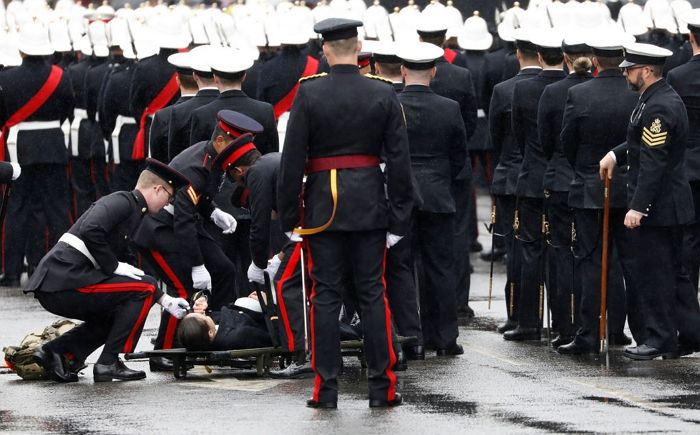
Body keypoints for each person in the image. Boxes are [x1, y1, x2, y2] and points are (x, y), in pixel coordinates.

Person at [277, 18, 413, 409]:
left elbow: (292, 161)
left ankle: (326, 390)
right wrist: (399, 217)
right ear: (358, 47)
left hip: (322, 208)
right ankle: (382, 389)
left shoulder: (309, 93)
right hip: (370, 206)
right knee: (373, 294)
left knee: (325, 297)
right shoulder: (383, 93)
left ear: (325, 50)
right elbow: (400, 162)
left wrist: (288, 218)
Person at [25, 159, 191, 382]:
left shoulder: (133, 209)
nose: (168, 203)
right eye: (169, 197)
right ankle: (108, 362)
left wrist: (165, 299)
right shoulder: (122, 201)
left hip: (67, 279)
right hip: (64, 278)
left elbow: (127, 264)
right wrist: (113, 267)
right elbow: (91, 228)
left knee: (123, 307)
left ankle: (57, 351)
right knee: (144, 289)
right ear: (157, 189)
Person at [599, 42, 700, 359]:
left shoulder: (659, 106)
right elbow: (640, 143)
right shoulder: (655, 99)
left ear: (645, 70)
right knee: (675, 273)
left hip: (660, 206)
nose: (625, 74)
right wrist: (616, 154)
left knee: (656, 274)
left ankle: (659, 338)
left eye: (629, 69)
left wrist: (638, 207)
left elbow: (654, 162)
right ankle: (690, 334)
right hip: (667, 203)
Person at [557, 34, 637, 355]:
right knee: (629, 264)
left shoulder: (578, 93)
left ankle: (589, 333)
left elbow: (568, 142)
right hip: (630, 187)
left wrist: (586, 170)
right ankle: (626, 331)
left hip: (591, 187)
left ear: (595, 59)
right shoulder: (637, 96)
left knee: (592, 262)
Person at [396, 41, 468, 356]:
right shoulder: (449, 107)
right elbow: (459, 156)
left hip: (401, 195)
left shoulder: (392, 104)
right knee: (441, 267)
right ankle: (445, 337)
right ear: (434, 72)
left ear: (402, 71)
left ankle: (410, 339)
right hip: (439, 194)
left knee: (402, 268)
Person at [0, 22, 74, 287]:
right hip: (53, 144)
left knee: (17, 208)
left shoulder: (6, 78)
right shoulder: (61, 75)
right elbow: (68, 109)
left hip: (20, 146)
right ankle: (60, 265)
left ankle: (10, 271)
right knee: (56, 208)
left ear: (21, 50)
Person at [506, 31, 566, 341]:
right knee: (561, 251)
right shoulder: (574, 87)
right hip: (561, 177)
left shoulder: (523, 89)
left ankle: (528, 321)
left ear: (540, 57)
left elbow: (518, 134)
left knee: (529, 251)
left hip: (531, 174)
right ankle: (562, 322)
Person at [537, 35, 593, 347]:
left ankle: (566, 325)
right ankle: (607, 327)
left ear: (565, 58)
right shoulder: (608, 89)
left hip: (560, 179)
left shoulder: (553, 91)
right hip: (596, 181)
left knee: (560, 256)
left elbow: (546, 139)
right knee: (598, 256)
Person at [488, 29, 542, 335]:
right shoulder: (558, 87)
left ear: (518, 54)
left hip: (511, 176)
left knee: (516, 251)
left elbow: (497, 138)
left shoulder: (504, 90)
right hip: (539, 175)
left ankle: (519, 316)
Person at [189, 47, 279, 155]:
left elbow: (197, 157)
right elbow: (272, 155)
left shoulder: (200, 114)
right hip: (257, 171)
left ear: (215, 78)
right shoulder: (265, 110)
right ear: (244, 77)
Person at [667, 9, 700, 291]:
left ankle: (690, 313)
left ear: (691, 37)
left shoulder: (677, 76)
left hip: (689, 168)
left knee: (689, 239)